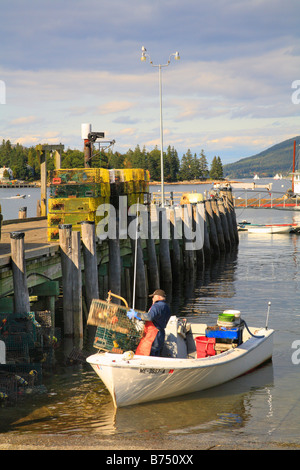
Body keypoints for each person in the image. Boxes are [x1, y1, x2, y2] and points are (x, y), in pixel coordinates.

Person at [127, 289, 171, 356]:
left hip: (153, 335)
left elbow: (149, 317)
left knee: (146, 353)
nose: (152, 298)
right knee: (156, 354)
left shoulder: (156, 306)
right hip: (161, 334)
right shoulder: (166, 307)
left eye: (153, 297)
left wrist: (136, 315)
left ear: (158, 297)